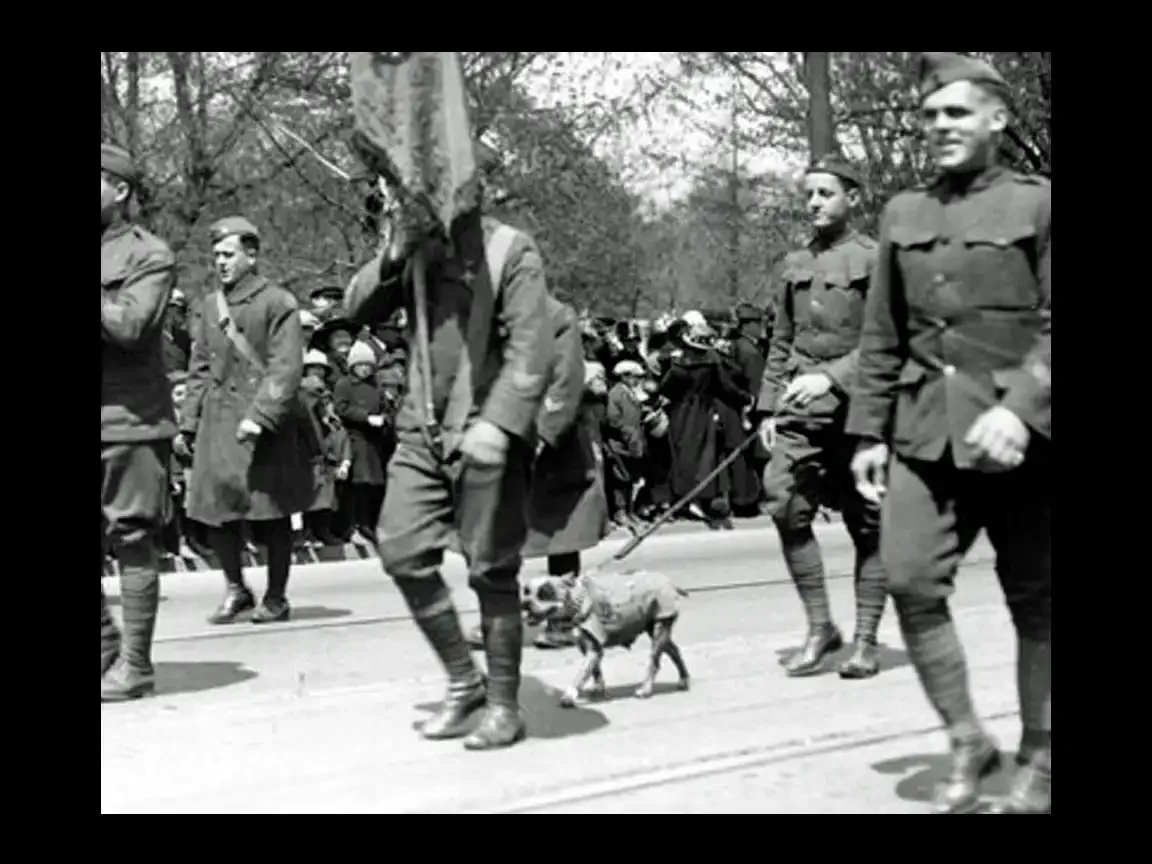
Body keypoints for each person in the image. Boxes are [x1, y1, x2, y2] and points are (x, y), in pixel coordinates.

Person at [847, 53, 1051, 815]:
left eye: (956, 113)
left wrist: (1022, 406)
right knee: (907, 579)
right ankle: (968, 738)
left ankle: (1042, 757)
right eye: (929, 116)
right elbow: (882, 334)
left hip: (1026, 445)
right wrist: (868, 432)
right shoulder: (902, 213)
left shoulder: (1039, 205)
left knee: (1039, 600)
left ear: (997, 119)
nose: (938, 126)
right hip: (924, 436)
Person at [345, 195, 552, 752]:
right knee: (401, 551)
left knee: (492, 570)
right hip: (421, 432)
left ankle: (505, 706)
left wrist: (502, 422)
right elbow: (356, 306)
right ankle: (465, 681)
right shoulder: (413, 253)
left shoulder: (510, 250)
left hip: (487, 431)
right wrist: (393, 250)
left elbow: (534, 349)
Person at [757, 155, 890, 680]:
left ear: (851, 198)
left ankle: (866, 640)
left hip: (861, 410)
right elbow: (782, 340)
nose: (814, 202)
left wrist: (831, 377)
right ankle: (820, 628)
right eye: (808, 193)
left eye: (825, 193)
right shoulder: (796, 263)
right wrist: (767, 406)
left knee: (868, 524)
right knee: (784, 504)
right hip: (800, 412)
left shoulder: (876, 260)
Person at [178, 217, 317, 625]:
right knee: (218, 511)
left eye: (229, 254)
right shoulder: (208, 306)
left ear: (251, 255)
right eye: (216, 255)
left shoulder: (277, 302)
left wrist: (260, 416)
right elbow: (199, 368)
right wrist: (188, 424)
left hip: (262, 426)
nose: (220, 262)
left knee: (269, 511)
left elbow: (286, 367)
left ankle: (276, 597)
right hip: (218, 424)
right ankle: (236, 588)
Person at [101, 143, 177, 702]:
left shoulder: (149, 255)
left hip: (127, 420)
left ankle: (135, 665)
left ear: (119, 189)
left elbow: (130, 328)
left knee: (132, 540)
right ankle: (105, 649)